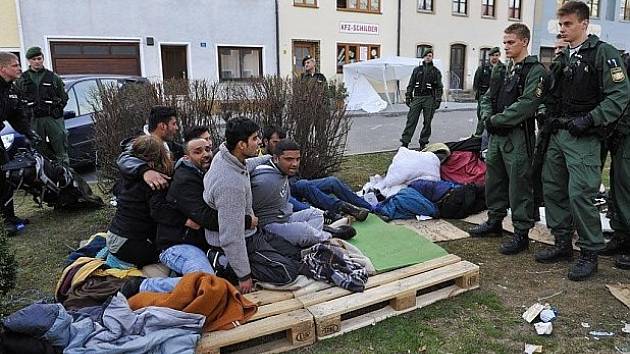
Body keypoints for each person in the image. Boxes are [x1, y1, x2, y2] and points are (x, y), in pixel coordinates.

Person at [535, 1, 630, 281]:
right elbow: (551, 91)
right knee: (553, 189)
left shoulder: (603, 54)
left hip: (584, 136)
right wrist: (544, 112)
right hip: (558, 133)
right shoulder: (564, 57)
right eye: (560, 24)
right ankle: (562, 243)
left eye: (568, 24)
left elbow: (619, 96)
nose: (563, 29)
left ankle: (589, 252)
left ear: (584, 24)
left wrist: (590, 120)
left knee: (581, 195)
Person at [468, 24, 547, 257]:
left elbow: (526, 104)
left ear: (524, 41)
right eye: (504, 43)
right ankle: (495, 220)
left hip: (518, 136)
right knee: (494, 179)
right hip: (496, 136)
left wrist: (497, 120)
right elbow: (487, 97)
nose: (506, 47)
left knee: (519, 184)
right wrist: (487, 117)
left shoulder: (535, 71)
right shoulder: (502, 70)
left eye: (510, 42)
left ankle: (521, 232)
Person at [203, 117, 300, 293]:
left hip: (251, 230)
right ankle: (223, 263)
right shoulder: (230, 184)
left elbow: (247, 164)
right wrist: (244, 276)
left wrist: (271, 158)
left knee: (294, 253)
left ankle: (246, 262)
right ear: (241, 144)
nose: (259, 143)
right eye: (255, 139)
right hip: (242, 239)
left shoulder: (226, 155)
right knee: (287, 272)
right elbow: (231, 236)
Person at [251, 139, 356, 248]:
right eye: (289, 159)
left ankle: (312, 239)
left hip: (284, 218)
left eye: (297, 159)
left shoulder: (280, 171)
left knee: (316, 214)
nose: (295, 164)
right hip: (268, 227)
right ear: (276, 158)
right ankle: (328, 237)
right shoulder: (264, 180)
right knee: (303, 230)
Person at [260, 124, 371, 221]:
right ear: (266, 141)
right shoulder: (260, 160)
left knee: (332, 181)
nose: (280, 145)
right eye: (275, 142)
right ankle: (338, 210)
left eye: (282, 141)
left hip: (299, 185)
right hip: (285, 192)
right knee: (303, 184)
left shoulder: (287, 153)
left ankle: (371, 208)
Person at [106, 135, 174, 268]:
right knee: (167, 256)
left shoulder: (128, 175)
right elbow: (160, 214)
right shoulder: (155, 183)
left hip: (113, 237)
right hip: (128, 243)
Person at [0, 52, 37, 235]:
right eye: (15, 65)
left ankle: (9, 218)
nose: (19, 68)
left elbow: (17, 117)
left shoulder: (11, 90)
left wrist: (29, 133)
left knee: (5, 177)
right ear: (3, 69)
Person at [14, 47, 69, 165]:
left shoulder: (53, 77)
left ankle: (65, 176)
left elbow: (64, 97)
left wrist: (56, 110)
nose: (37, 61)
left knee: (61, 151)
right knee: (38, 152)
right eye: (34, 59)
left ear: (43, 59)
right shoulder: (22, 79)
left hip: (52, 119)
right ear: (29, 61)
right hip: (33, 120)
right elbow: (16, 101)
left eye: (39, 58)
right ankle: (44, 179)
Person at [600, 53, 630, 268]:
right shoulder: (625, 59)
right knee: (618, 184)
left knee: (627, 186)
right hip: (619, 132)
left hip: (626, 131)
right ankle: (620, 235)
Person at [117, 105, 182, 192]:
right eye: (173, 124)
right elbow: (124, 159)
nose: (176, 128)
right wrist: (145, 171)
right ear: (162, 126)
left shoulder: (170, 145)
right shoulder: (137, 144)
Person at [401, 47, 443, 149]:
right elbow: (411, 84)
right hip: (417, 98)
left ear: (432, 57)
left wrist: (438, 100)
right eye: (426, 56)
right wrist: (408, 96)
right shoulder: (417, 70)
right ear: (423, 57)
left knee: (427, 122)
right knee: (411, 120)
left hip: (429, 98)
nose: (428, 57)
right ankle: (405, 142)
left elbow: (439, 87)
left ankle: (423, 143)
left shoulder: (435, 71)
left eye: (430, 56)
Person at [472, 47, 505, 137]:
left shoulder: (503, 68)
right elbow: (476, 83)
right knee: (482, 117)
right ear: (489, 56)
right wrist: (479, 95)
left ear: (499, 56)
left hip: (497, 97)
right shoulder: (482, 68)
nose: (494, 57)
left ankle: (490, 136)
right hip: (483, 96)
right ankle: (478, 136)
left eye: (496, 55)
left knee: (494, 117)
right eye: (493, 55)